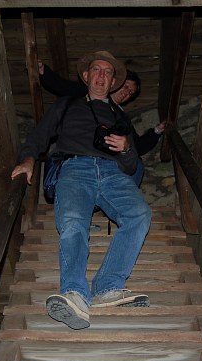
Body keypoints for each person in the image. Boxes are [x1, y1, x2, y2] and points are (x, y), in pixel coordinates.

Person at [12, 51, 152, 330]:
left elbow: (131, 165)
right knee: (74, 222)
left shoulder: (120, 116)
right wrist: (28, 159)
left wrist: (126, 149)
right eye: (97, 70)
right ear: (86, 76)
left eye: (108, 72)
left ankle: (107, 287)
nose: (102, 75)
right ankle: (75, 293)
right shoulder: (67, 104)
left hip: (113, 173)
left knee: (139, 214)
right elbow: (41, 133)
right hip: (75, 168)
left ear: (112, 81)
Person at [38, 60, 166, 186]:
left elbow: (137, 146)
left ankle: (119, 192)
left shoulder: (122, 117)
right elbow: (63, 86)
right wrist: (44, 71)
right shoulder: (90, 94)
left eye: (131, 93)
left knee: (137, 163)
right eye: (126, 87)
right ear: (115, 82)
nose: (127, 93)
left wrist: (157, 131)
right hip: (81, 161)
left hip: (112, 166)